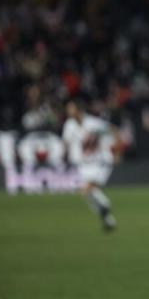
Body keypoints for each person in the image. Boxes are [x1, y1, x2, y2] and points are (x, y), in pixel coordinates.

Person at [62, 99, 119, 232]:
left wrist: (117, 150)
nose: (68, 111)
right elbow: (66, 142)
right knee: (88, 194)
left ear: (78, 110)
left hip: (100, 162)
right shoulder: (69, 125)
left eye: (71, 108)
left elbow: (113, 129)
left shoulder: (93, 123)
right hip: (84, 164)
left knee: (86, 189)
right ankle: (108, 219)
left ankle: (106, 206)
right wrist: (64, 156)